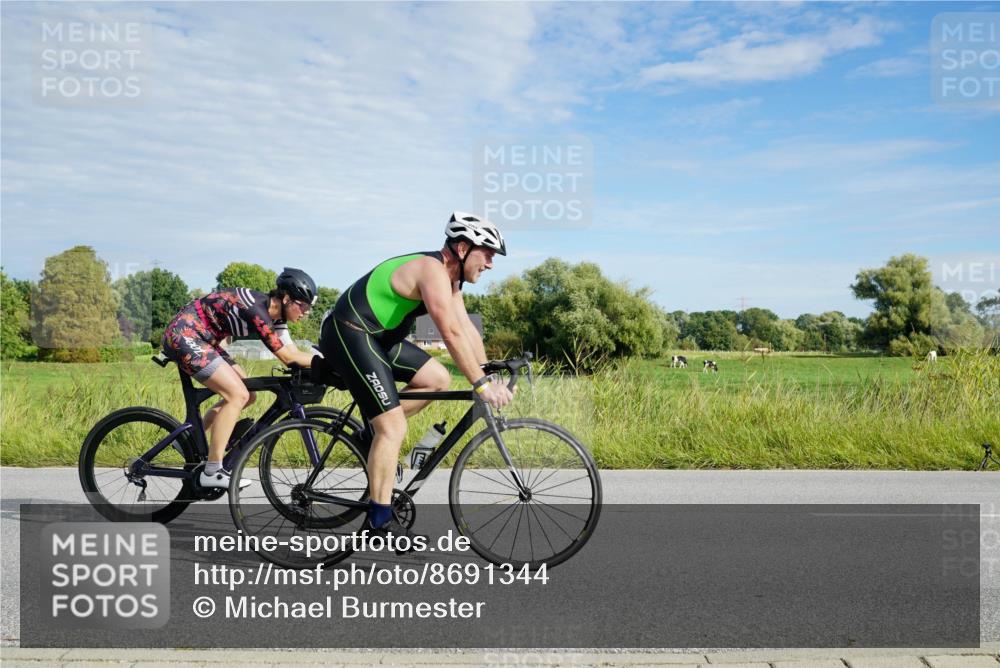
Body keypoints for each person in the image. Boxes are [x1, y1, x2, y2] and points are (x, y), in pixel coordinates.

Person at [316, 212, 514, 543]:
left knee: (437, 379)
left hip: (379, 338)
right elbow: (449, 333)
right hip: (348, 331)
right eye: (488, 254)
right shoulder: (431, 270)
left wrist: (488, 372)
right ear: (463, 247)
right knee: (393, 427)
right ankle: (378, 519)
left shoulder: (451, 281)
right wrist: (479, 384)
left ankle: (372, 433)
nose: (491, 264)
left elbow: (465, 327)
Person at [161, 268, 318, 488]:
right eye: (303, 305)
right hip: (185, 334)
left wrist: (324, 360)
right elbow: (286, 357)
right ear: (285, 299)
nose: (306, 312)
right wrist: (328, 363)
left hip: (206, 339)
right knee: (236, 395)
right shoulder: (257, 310)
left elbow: (294, 353)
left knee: (249, 394)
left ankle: (188, 442)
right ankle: (213, 470)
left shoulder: (276, 318)